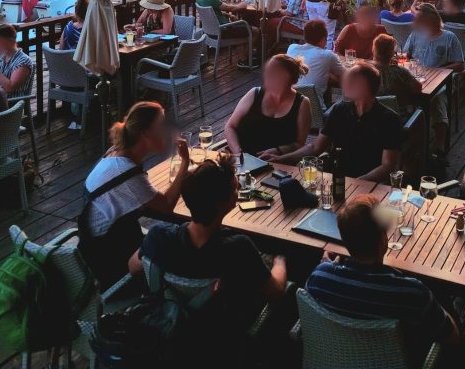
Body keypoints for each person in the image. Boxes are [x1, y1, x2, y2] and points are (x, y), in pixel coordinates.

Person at [129, 159, 290, 334]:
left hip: (172, 323)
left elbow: (134, 267)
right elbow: (275, 291)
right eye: (234, 188)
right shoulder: (238, 248)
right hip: (224, 330)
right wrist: (280, 260)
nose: (237, 192)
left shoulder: (159, 236)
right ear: (224, 202)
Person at [306, 195, 458, 364]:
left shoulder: (319, 277)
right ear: (382, 241)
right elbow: (452, 337)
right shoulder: (412, 293)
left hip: (333, 362)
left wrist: (329, 269)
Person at [81, 101, 189, 288]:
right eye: (161, 125)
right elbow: (166, 206)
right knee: (181, 247)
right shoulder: (127, 174)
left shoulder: (115, 153)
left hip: (96, 247)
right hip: (112, 265)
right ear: (145, 134)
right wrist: (184, 164)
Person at [273, 62, 402, 180]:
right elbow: (315, 147)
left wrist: (357, 183)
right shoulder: (339, 110)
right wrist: (280, 159)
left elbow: (387, 166)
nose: (343, 84)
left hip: (367, 184)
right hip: (334, 177)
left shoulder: (389, 119)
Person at [401, 5, 464, 158]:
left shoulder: (449, 37)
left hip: (441, 82)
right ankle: (408, 141)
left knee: (436, 100)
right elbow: (405, 55)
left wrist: (439, 71)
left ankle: (439, 146)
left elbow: (460, 65)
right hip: (416, 78)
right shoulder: (416, 35)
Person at [224, 55, 311, 159]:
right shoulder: (254, 94)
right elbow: (230, 126)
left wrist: (278, 150)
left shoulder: (302, 103)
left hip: (278, 163)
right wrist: (238, 153)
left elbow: (300, 143)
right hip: (242, 160)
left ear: (290, 78)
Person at [195, 0, 259, 57]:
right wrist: (244, 4)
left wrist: (228, 15)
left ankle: (247, 54)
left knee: (244, 25)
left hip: (210, 32)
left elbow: (213, 13)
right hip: (224, 31)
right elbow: (231, 8)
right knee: (255, 31)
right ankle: (244, 59)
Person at [286, 19, 344, 99]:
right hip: (315, 109)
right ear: (323, 39)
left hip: (291, 103)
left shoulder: (292, 48)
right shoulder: (327, 55)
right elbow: (346, 75)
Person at [371, 33, 423, 110]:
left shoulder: (366, 70)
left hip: (373, 115)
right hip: (399, 116)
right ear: (392, 53)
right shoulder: (400, 71)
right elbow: (418, 88)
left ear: (374, 50)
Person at [0, 23, 35, 98]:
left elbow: (10, 87)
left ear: (10, 41)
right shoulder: (0, 55)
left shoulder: (23, 62)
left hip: (10, 103)